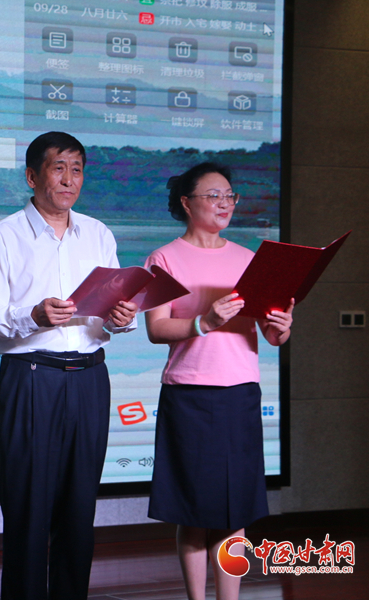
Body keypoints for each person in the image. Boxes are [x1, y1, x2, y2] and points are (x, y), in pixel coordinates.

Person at [0, 131, 137, 600]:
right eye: (58, 168)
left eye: (76, 169)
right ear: (32, 176)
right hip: (32, 378)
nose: (69, 179)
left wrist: (121, 319)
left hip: (90, 378)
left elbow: (110, 314)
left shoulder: (99, 234)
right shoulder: (5, 234)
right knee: (27, 506)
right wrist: (32, 317)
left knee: (80, 508)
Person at [144, 162, 293, 600]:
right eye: (214, 196)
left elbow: (269, 334)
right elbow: (156, 328)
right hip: (189, 395)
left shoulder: (249, 259)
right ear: (187, 203)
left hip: (240, 393)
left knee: (236, 511)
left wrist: (282, 327)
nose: (224, 203)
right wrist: (204, 322)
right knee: (192, 511)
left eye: (230, 196)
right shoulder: (164, 258)